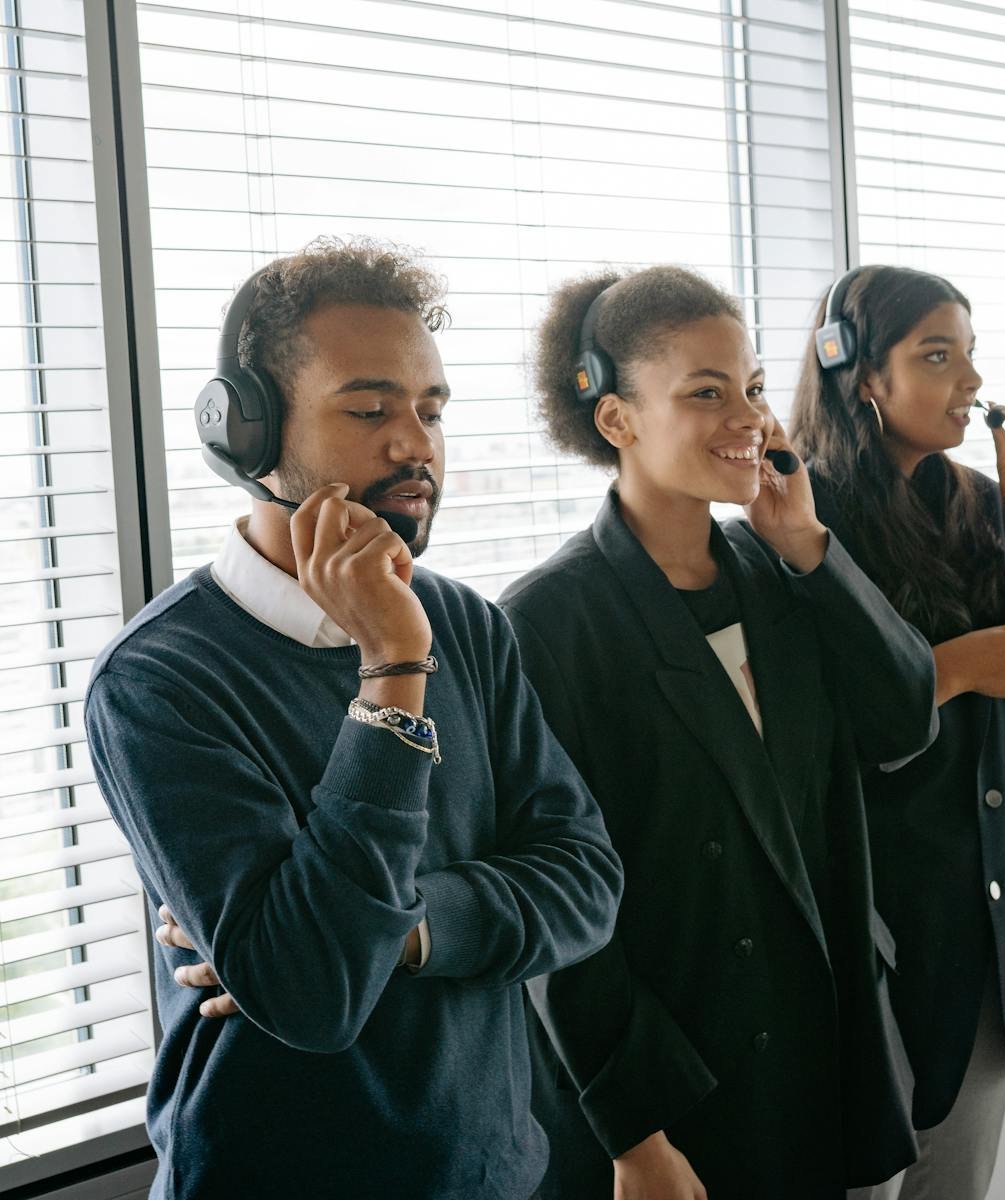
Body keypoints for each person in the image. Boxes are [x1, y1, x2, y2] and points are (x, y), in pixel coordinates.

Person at [84, 237, 623, 1200]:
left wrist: (404, 929)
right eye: (370, 410)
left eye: (430, 410)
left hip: (494, 1173)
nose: (414, 443)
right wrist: (391, 672)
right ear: (246, 433)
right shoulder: (158, 682)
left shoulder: (467, 623)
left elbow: (585, 885)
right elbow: (316, 991)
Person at [498, 265, 940, 1199]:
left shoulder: (779, 565)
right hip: (683, 1071)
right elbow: (555, 905)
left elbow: (903, 722)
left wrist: (813, 551)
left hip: (823, 1040)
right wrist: (633, 1131)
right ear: (617, 420)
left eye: (748, 388)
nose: (746, 417)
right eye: (704, 393)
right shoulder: (546, 623)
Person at [789, 264, 1005, 1200]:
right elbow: (820, 735)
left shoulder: (969, 500)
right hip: (874, 928)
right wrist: (965, 666)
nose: (970, 380)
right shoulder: (803, 519)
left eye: (971, 354)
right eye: (936, 355)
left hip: (984, 924)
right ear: (861, 376)